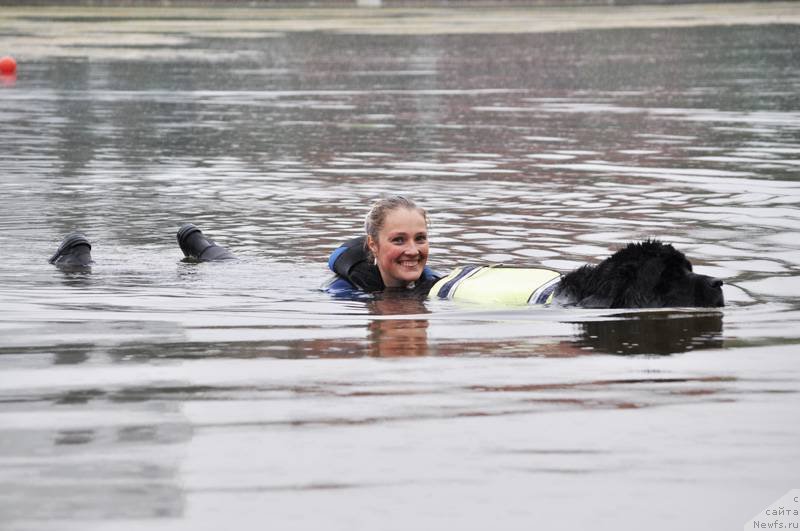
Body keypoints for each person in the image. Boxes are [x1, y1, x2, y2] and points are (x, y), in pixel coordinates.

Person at [325, 196, 442, 296]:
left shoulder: (437, 285)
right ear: (373, 245)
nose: (413, 251)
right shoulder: (342, 291)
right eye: (398, 240)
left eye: (420, 238)